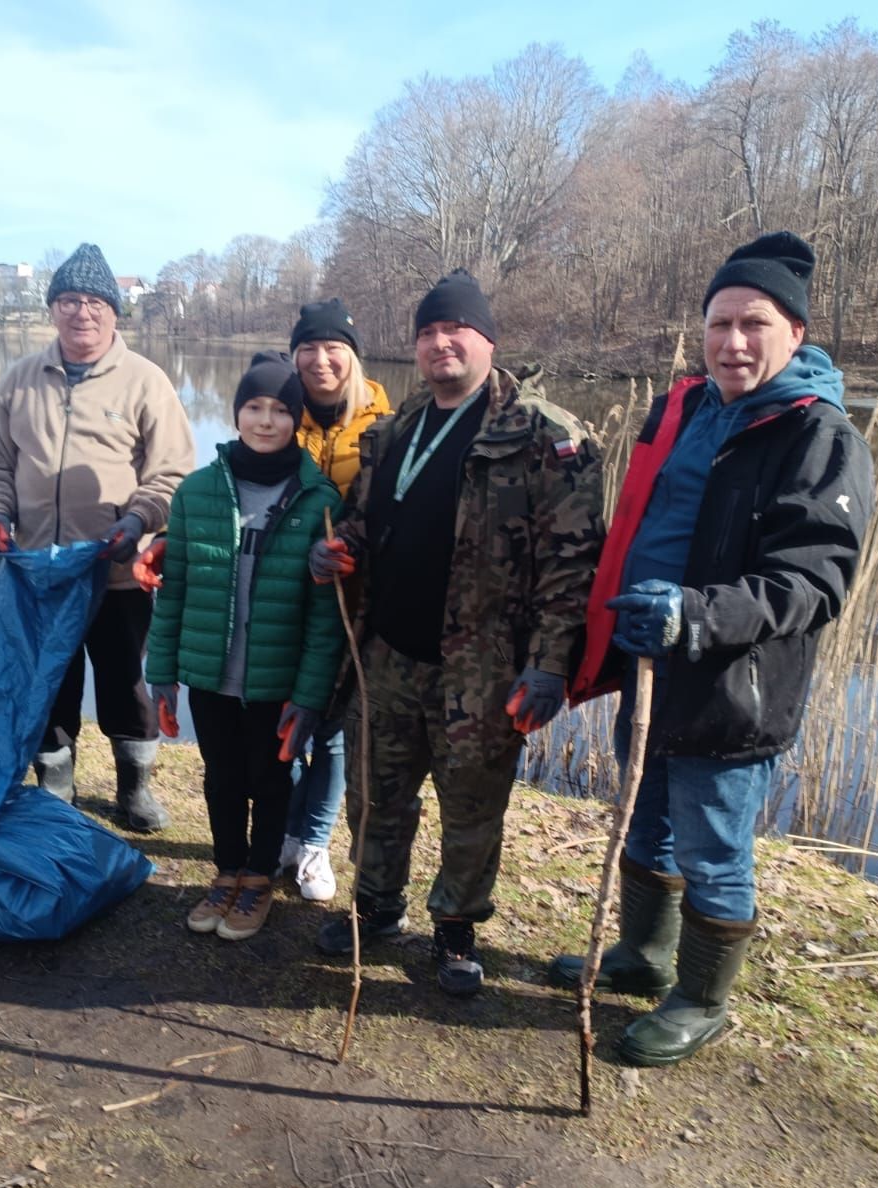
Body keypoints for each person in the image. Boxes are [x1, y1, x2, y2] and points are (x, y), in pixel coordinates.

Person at [552, 231, 874, 1066]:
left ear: (795, 333)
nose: (733, 341)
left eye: (755, 324)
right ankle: (640, 957)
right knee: (647, 822)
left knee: (713, 847)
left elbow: (812, 583)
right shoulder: (688, 408)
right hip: (648, 668)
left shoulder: (817, 434)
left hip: (734, 685)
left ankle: (702, 999)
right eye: (719, 322)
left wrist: (694, 616)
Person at [309, 270, 603, 995]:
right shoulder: (395, 431)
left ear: (487, 340)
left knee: (472, 806)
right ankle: (375, 910)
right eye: (428, 332)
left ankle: (455, 930)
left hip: (485, 667)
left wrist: (550, 666)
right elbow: (364, 522)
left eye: (456, 330)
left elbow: (574, 570)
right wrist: (335, 548)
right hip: (387, 655)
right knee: (374, 796)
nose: (441, 342)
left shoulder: (545, 434)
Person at [0, 242, 194, 832]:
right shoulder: (19, 381)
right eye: (69, 300)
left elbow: (172, 472)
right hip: (37, 570)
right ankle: (55, 788)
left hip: (118, 569)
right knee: (49, 680)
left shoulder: (147, 383)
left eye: (94, 301)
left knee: (126, 680)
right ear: (52, 310)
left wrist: (140, 519)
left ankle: (135, 788)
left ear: (115, 312)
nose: (82, 312)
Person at [145, 353, 345, 940]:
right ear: (235, 415)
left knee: (269, 777)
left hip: (276, 680)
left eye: (281, 410)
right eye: (254, 407)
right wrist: (162, 675)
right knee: (221, 776)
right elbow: (173, 590)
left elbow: (325, 620)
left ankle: (259, 879)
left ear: (297, 420)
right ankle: (227, 869)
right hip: (210, 673)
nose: (266, 420)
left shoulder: (319, 499)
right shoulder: (197, 492)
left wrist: (309, 697)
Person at [278, 298, 393, 903]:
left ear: (352, 355)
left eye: (332, 348)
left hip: (355, 604)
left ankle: (315, 843)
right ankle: (289, 831)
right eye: (308, 348)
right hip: (285, 597)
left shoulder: (386, 424)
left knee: (331, 730)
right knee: (285, 714)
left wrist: (352, 550)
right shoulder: (277, 410)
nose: (320, 361)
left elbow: (393, 515)